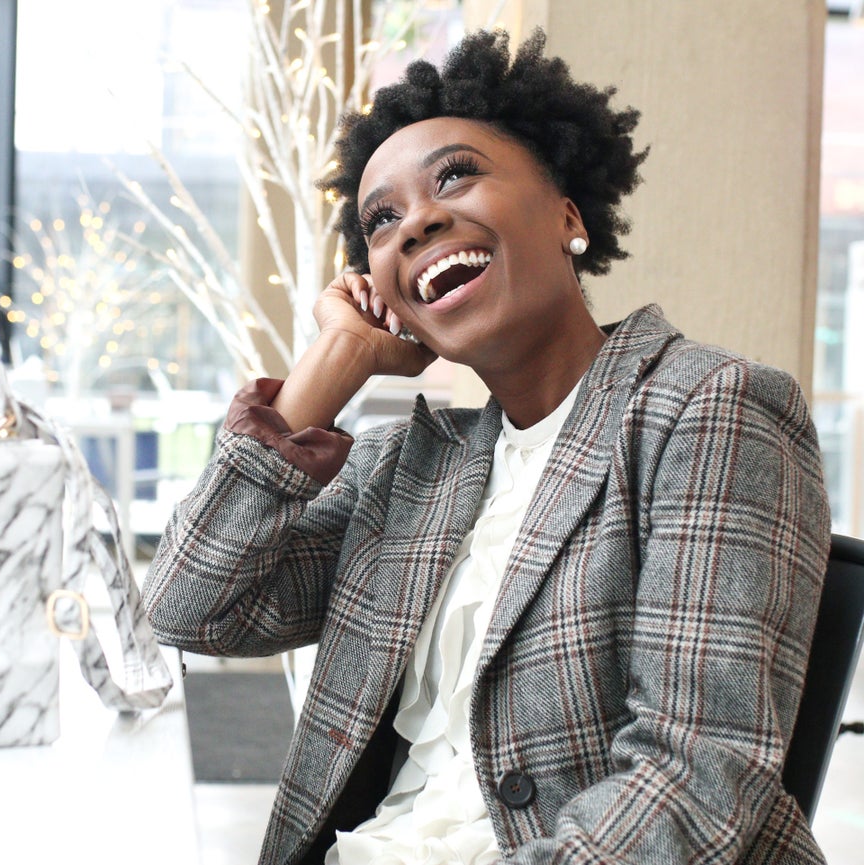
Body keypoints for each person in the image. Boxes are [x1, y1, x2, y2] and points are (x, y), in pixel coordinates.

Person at [142, 28, 831, 865]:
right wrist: (331, 365)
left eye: (455, 176)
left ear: (569, 215)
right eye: (381, 220)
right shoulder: (407, 468)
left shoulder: (708, 409)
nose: (417, 221)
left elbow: (694, 781)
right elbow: (188, 607)